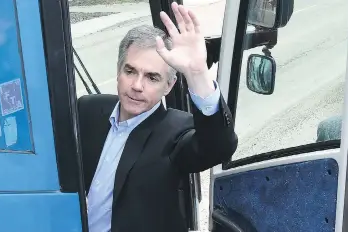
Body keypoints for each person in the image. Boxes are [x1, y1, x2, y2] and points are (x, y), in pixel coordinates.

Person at [77, 2, 238, 232]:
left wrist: (197, 73)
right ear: (118, 70)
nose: (137, 86)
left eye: (152, 78)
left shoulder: (175, 130)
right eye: (130, 71)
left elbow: (219, 146)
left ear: (169, 85)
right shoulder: (88, 110)